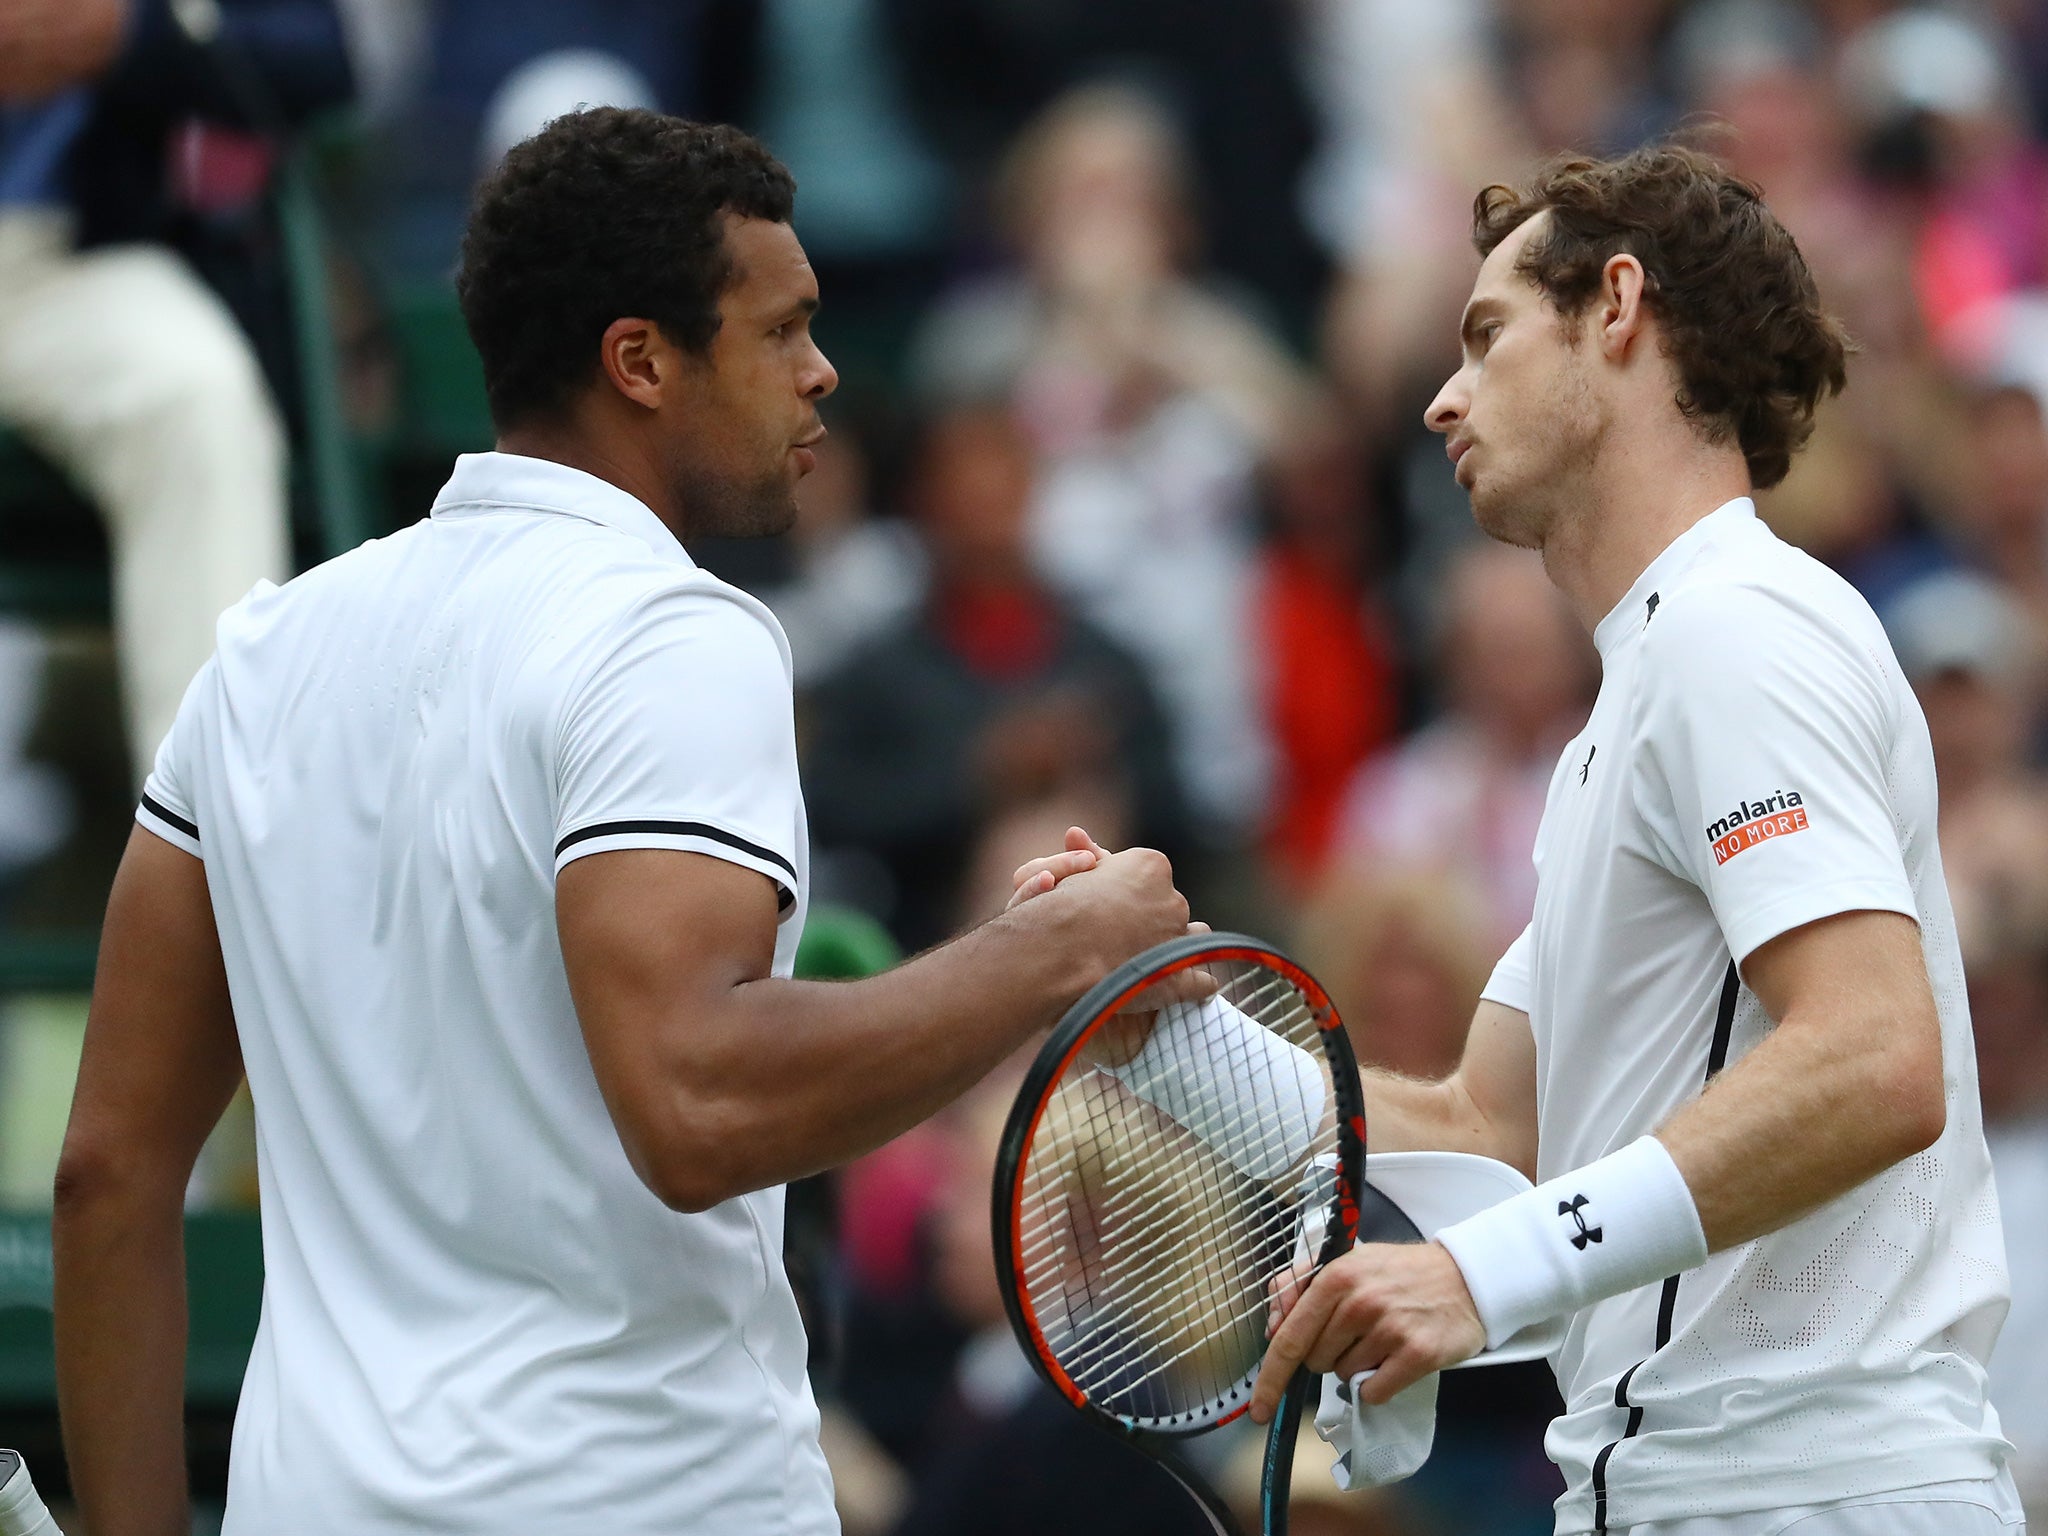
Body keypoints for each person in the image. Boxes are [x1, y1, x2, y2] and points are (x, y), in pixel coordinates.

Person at [49, 108, 1192, 1535]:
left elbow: (105, 1179)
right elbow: (698, 1101)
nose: (824, 372)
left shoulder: (264, 653)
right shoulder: (673, 635)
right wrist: (1053, 954)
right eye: (782, 330)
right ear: (641, 362)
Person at [1244, 146, 2019, 1533]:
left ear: (1616, 305)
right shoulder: (1639, 699)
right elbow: (1498, 1125)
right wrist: (1152, 1016)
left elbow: (1875, 1059)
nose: (1442, 398)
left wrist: (1480, 1278)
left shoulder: (1736, 628)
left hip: (1810, 1493)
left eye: (1486, 337)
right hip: (1682, 1490)